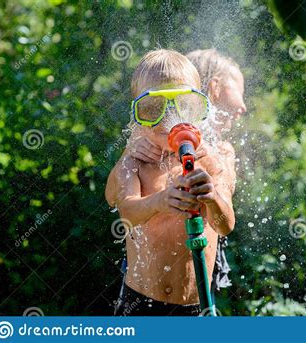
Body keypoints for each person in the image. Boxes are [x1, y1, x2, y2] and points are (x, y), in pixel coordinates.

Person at [106, 49, 247, 297]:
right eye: (152, 110)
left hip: (195, 306)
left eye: (181, 106)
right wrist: (159, 201)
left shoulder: (214, 158)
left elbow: (225, 225)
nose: (166, 118)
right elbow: (124, 211)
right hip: (141, 301)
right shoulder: (136, 158)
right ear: (139, 116)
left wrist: (212, 196)